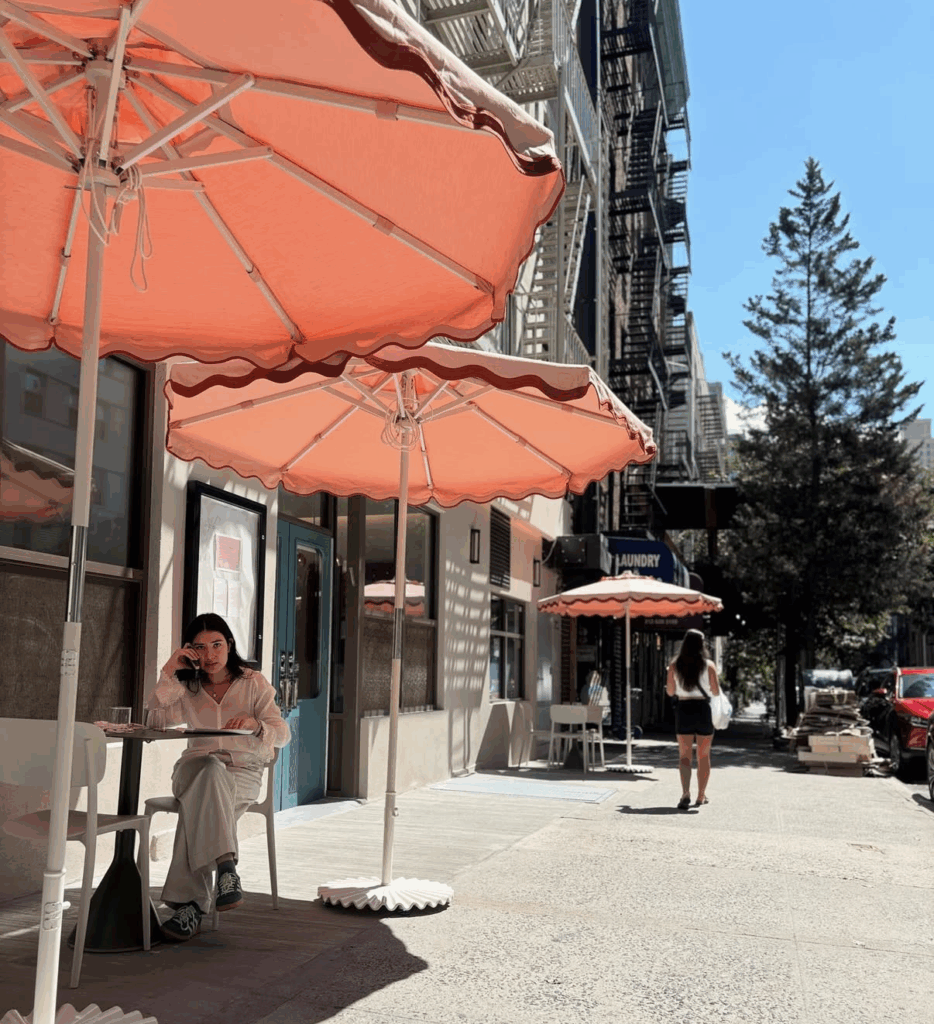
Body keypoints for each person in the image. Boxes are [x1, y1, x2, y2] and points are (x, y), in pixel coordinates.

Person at [145, 612, 289, 941]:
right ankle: (226, 867)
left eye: (216, 645)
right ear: (190, 650)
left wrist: (256, 725)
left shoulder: (253, 683)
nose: (210, 654)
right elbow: (155, 718)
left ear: (230, 644)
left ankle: (190, 908)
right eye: (200, 647)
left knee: (198, 808)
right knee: (209, 770)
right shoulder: (187, 686)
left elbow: (282, 734)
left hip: (242, 771)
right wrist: (169, 669)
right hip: (193, 768)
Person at [665, 628, 720, 811]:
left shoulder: (674, 665)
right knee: (703, 756)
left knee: (684, 756)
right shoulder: (709, 665)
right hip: (703, 709)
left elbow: (670, 692)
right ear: (701, 644)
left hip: (684, 709)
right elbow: (715, 692)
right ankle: (701, 795)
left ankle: (685, 793)